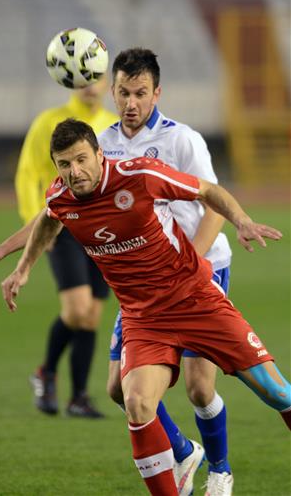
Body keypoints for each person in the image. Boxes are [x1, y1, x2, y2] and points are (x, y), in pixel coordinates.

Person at [0, 118, 290, 496]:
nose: (75, 172)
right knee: (135, 402)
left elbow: (206, 189)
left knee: (275, 392)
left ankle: (210, 461)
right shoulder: (61, 197)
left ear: (99, 155)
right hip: (144, 317)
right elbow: (48, 220)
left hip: (195, 300)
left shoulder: (139, 175)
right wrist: (20, 268)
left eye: (81, 160)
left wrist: (241, 219)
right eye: (64, 165)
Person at [99, 48, 233, 495]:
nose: (131, 102)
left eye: (140, 92)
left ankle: (220, 470)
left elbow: (213, 203)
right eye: (123, 92)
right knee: (119, 389)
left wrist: (190, 265)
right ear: (111, 91)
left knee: (198, 388)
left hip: (202, 267)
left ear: (157, 92)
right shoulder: (102, 145)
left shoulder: (182, 140)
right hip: (144, 283)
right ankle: (181, 450)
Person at [15, 78, 116, 417]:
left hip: (102, 229)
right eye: (84, 78)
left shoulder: (112, 125)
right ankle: (45, 371)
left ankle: (79, 397)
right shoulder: (48, 122)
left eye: (97, 77)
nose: (91, 85)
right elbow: (27, 174)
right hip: (63, 225)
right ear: (70, 78)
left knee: (90, 317)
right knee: (76, 309)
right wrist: (37, 226)